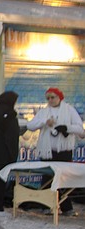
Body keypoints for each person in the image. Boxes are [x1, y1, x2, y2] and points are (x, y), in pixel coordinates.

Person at [26, 87, 84, 215]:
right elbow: (30, 125)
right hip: (47, 151)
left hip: (64, 150)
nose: (50, 100)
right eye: (48, 98)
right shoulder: (44, 112)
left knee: (64, 178)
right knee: (47, 178)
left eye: (53, 97)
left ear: (59, 97)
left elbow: (80, 129)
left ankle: (66, 207)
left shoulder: (69, 110)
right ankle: (46, 206)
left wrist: (67, 128)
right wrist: (44, 122)